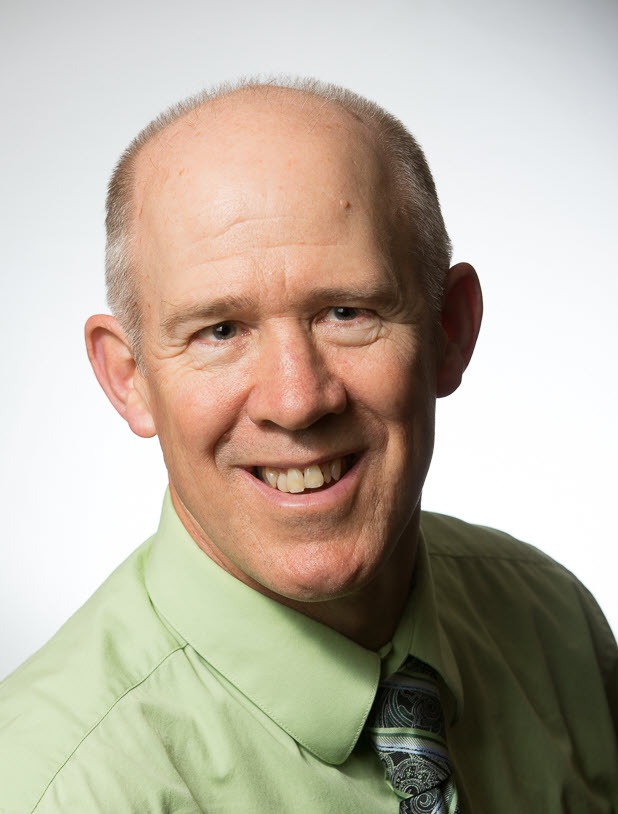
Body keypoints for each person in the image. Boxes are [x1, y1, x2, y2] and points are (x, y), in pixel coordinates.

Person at [0, 78, 616, 814]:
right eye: (219, 331)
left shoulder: (554, 624)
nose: (297, 399)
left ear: (450, 330)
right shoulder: (55, 789)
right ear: (128, 378)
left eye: (346, 312)